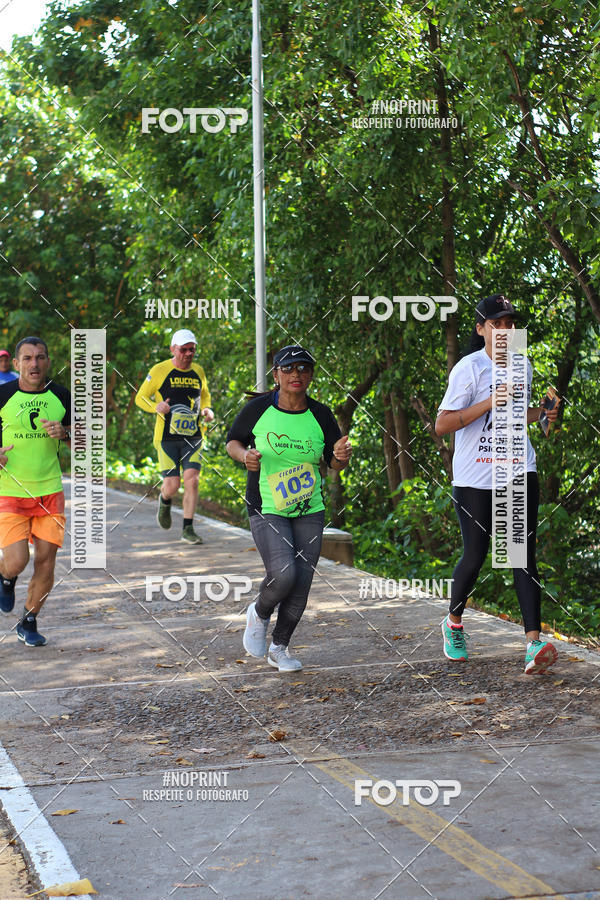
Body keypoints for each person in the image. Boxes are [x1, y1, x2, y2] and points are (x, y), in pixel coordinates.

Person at [435, 294, 560, 674]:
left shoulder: (524, 365)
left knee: (521, 556)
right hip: (474, 476)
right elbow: (443, 425)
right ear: (481, 329)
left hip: (518, 469)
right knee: (475, 555)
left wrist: (545, 414)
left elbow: (518, 416)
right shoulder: (468, 369)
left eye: (510, 324)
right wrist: (489, 402)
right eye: (496, 323)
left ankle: (532, 643)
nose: (504, 330)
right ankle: (453, 624)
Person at [226, 345, 352, 672]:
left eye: (303, 369)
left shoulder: (321, 414)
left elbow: (333, 463)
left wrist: (340, 456)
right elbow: (233, 442)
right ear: (277, 374)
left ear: (310, 375)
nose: (296, 374)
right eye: (289, 368)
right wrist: (245, 456)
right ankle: (260, 612)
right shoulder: (258, 409)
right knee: (283, 575)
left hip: (310, 507)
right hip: (267, 504)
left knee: (302, 580)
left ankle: (279, 648)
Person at [0, 337, 71, 646]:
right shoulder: (2, 395)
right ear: (16, 365)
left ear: (47, 361)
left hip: (49, 492)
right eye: (27, 358)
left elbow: (87, 443)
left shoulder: (61, 396)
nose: (34, 364)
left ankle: (28, 621)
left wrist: (66, 433)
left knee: (46, 560)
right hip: (10, 491)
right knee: (17, 561)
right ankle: (6, 576)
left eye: (40, 357)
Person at [135, 329, 213, 544]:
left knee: (193, 480)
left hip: (194, 436)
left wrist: (207, 410)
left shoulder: (198, 371)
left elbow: (204, 396)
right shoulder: (159, 370)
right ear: (173, 349)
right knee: (172, 485)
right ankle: (165, 499)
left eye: (192, 350)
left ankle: (188, 529)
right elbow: (140, 398)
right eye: (183, 350)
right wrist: (155, 406)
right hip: (166, 437)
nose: (188, 354)